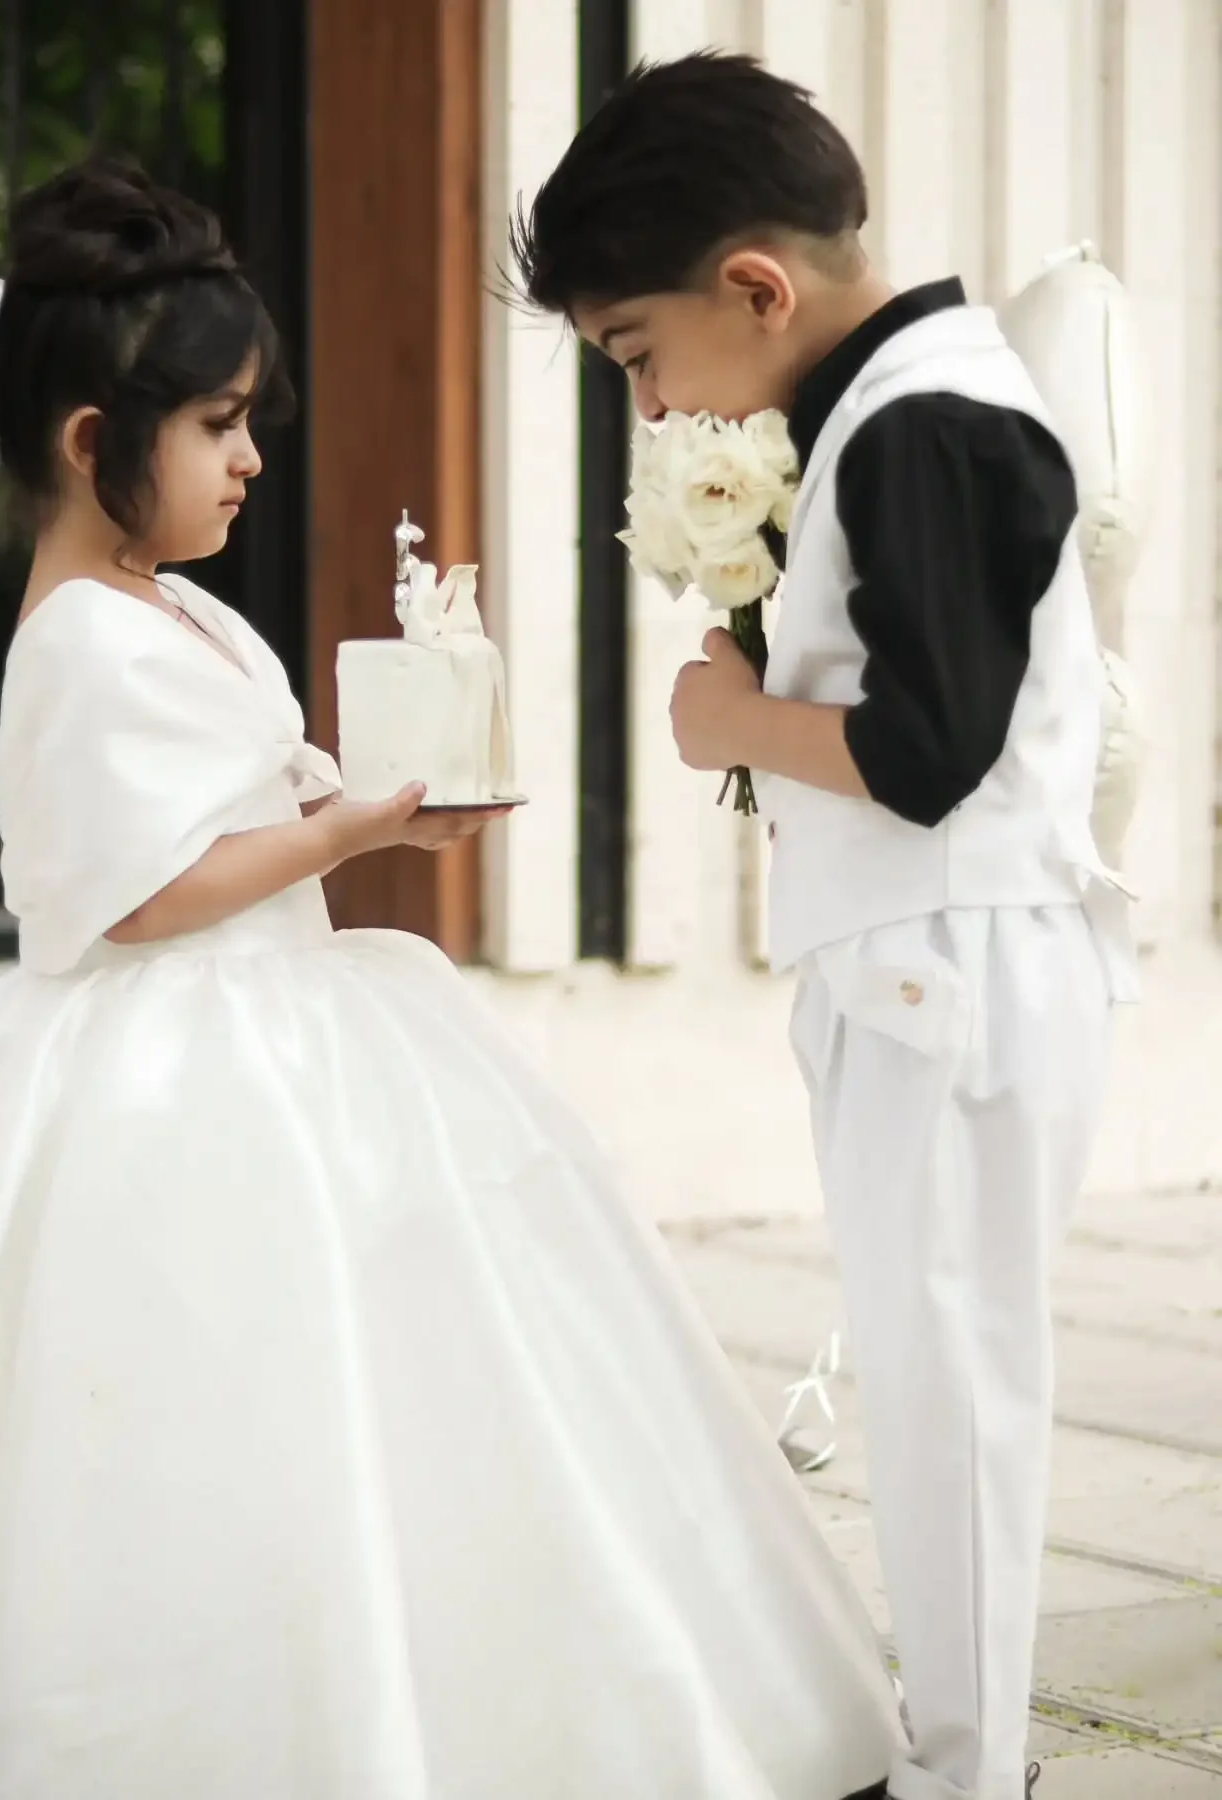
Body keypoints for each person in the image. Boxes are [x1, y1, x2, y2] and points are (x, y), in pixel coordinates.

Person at [0, 157, 900, 1800]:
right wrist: (346, 834)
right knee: (192, 1409)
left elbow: (247, 804)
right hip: (163, 1059)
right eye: (218, 427)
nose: (249, 459)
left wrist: (379, 811)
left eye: (248, 422)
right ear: (95, 444)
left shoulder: (171, 612)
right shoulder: (73, 640)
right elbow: (138, 893)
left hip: (282, 1016)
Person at [512, 52, 1137, 1800]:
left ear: (755, 288)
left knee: (952, 1396)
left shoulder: (925, 421)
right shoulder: (908, 400)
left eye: (638, 358)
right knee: (941, 1381)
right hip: (940, 962)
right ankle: (966, 1753)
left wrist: (729, 724)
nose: (649, 413)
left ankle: (966, 1768)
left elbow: (930, 752)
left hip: (956, 966)